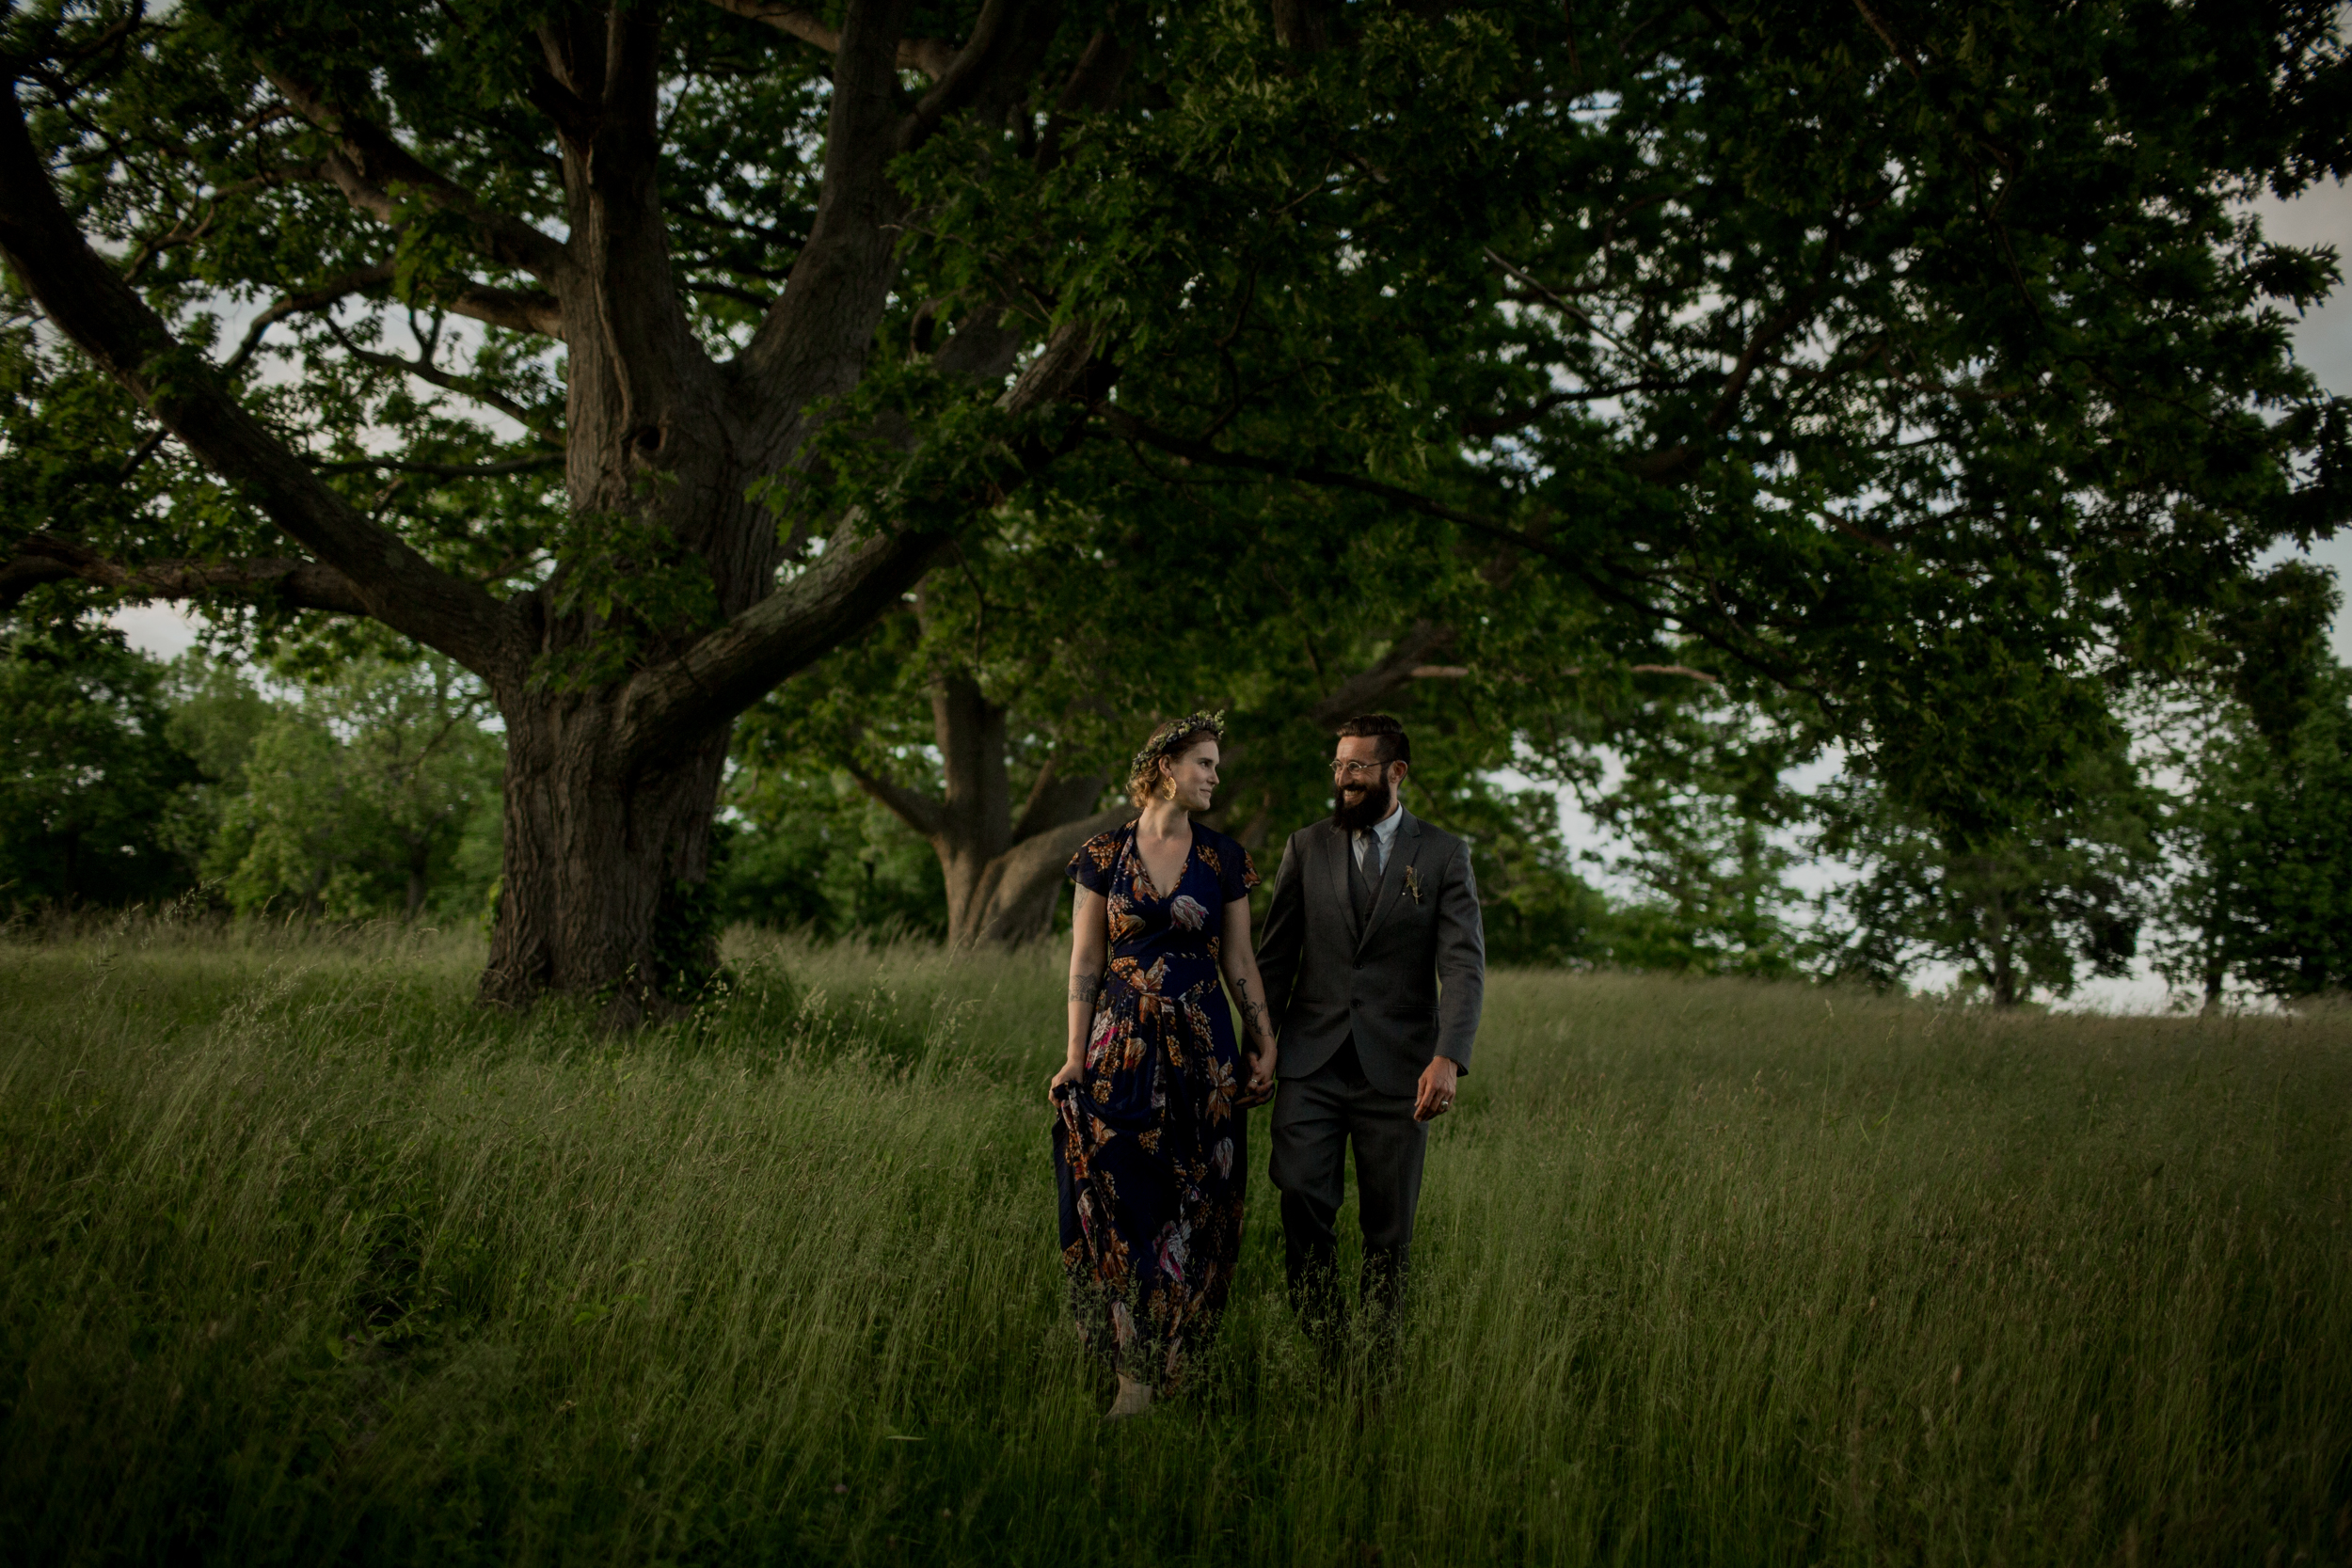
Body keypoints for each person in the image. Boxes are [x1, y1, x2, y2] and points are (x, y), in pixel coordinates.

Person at [1051, 712, 1279, 1420]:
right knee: (1124, 1198)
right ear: (1166, 767)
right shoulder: (1101, 854)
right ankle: (1134, 1374)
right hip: (1118, 1051)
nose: (1215, 776)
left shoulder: (1223, 859)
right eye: (1205, 763)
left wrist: (1264, 1040)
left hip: (1203, 1053)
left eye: (1216, 764)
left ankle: (1170, 1361)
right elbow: (1087, 960)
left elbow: (1239, 958)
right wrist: (1072, 1055)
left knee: (1198, 1200)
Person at [1250, 713, 1486, 1358]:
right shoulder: (1305, 846)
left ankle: (1377, 1364)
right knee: (1299, 1194)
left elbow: (1463, 964)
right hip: (1310, 1060)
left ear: (1395, 771)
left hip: (1402, 1071)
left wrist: (1448, 1056)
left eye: (1357, 766)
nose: (1344, 778)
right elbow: (1274, 958)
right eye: (1338, 766)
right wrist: (1262, 1045)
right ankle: (1325, 1347)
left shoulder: (1442, 854)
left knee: (1388, 1230)